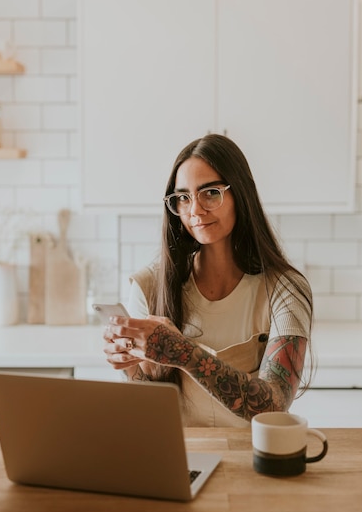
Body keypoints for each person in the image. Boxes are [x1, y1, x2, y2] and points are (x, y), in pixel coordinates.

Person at [103, 133, 313, 427]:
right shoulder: (148, 287)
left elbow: (272, 405)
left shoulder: (286, 289)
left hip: (255, 460)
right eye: (183, 198)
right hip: (181, 460)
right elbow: (147, 411)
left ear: (240, 193)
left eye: (210, 193)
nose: (195, 210)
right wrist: (131, 368)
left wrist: (182, 352)